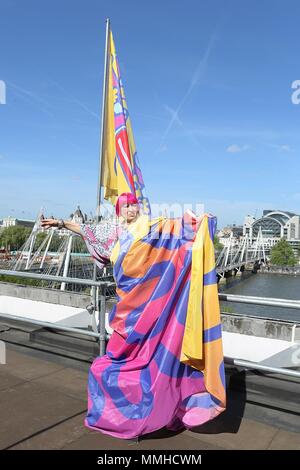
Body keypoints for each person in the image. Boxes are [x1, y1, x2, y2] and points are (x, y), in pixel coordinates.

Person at [41, 193, 226, 439]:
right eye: (126, 205)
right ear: (119, 209)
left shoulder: (151, 228)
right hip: (128, 308)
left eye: (134, 205)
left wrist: (199, 222)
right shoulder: (111, 232)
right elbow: (85, 229)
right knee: (117, 360)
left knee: (150, 358)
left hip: (150, 307)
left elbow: (178, 231)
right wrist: (62, 223)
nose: (131, 209)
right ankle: (124, 410)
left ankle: (151, 409)